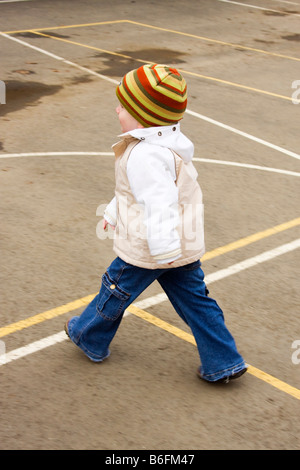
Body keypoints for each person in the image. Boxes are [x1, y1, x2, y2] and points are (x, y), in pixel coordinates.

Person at [65, 64, 247, 384]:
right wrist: (112, 213)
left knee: (115, 288)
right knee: (197, 302)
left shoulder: (145, 155)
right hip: (181, 245)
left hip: (151, 246)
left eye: (124, 106)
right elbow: (133, 195)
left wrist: (163, 250)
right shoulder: (169, 143)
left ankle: (88, 336)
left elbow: (158, 205)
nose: (117, 109)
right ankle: (223, 360)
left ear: (144, 116)